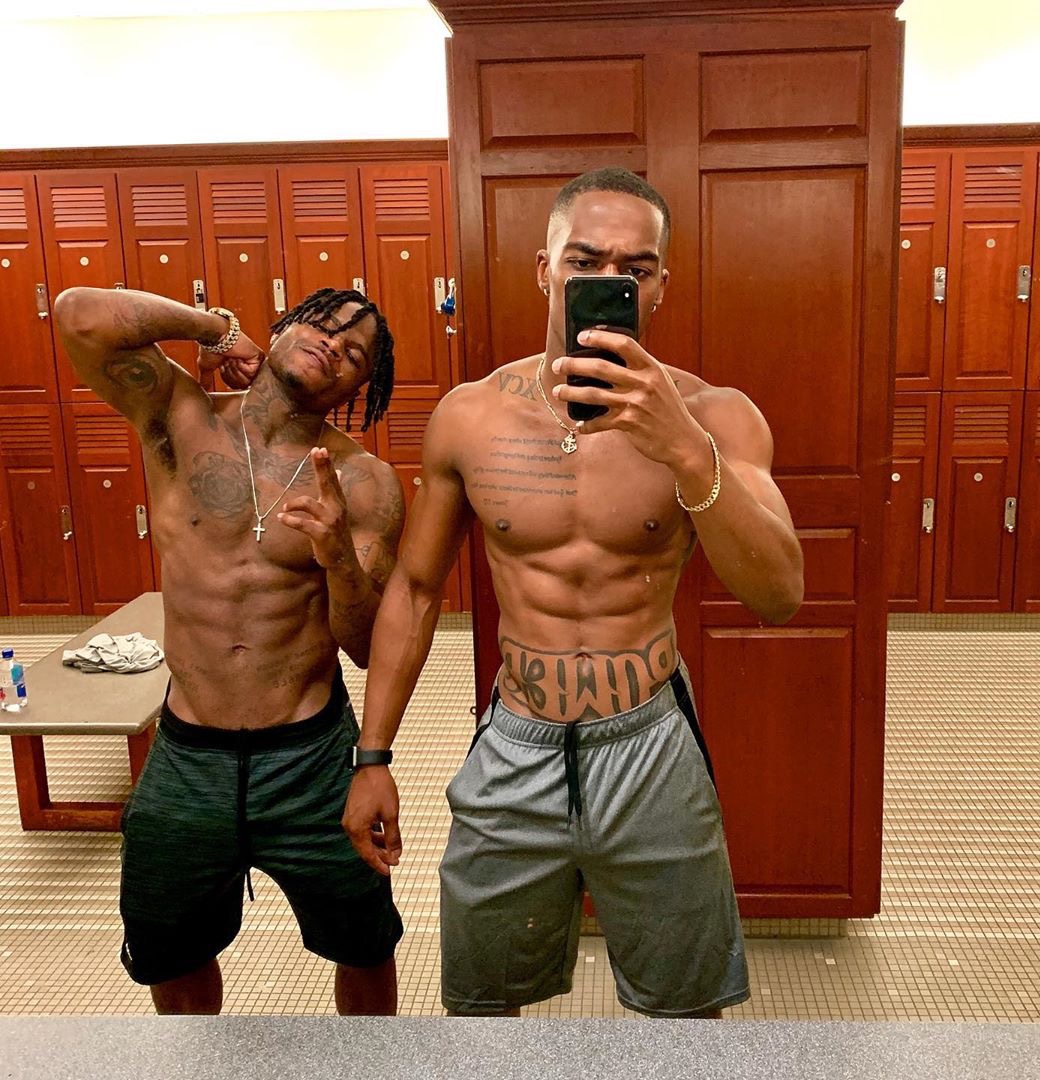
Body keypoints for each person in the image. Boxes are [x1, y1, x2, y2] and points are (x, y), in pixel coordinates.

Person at [344, 167, 804, 1018]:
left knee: (685, 1011)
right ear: (545, 269)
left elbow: (779, 593)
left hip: (650, 739)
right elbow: (415, 588)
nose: (610, 280)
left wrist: (683, 449)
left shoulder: (715, 416)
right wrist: (372, 757)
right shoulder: (470, 417)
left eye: (636, 268)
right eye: (585, 261)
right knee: (482, 1003)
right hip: (516, 738)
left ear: (660, 286)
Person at [54, 285, 405, 1015]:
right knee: (170, 950)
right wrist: (213, 328)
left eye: (355, 351)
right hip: (188, 754)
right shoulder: (177, 416)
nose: (333, 344)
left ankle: (369, 1064)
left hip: (310, 757)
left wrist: (338, 557)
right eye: (321, 325)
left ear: (359, 388)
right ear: (279, 330)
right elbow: (77, 315)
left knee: (363, 944)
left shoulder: (365, 482)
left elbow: (369, 645)